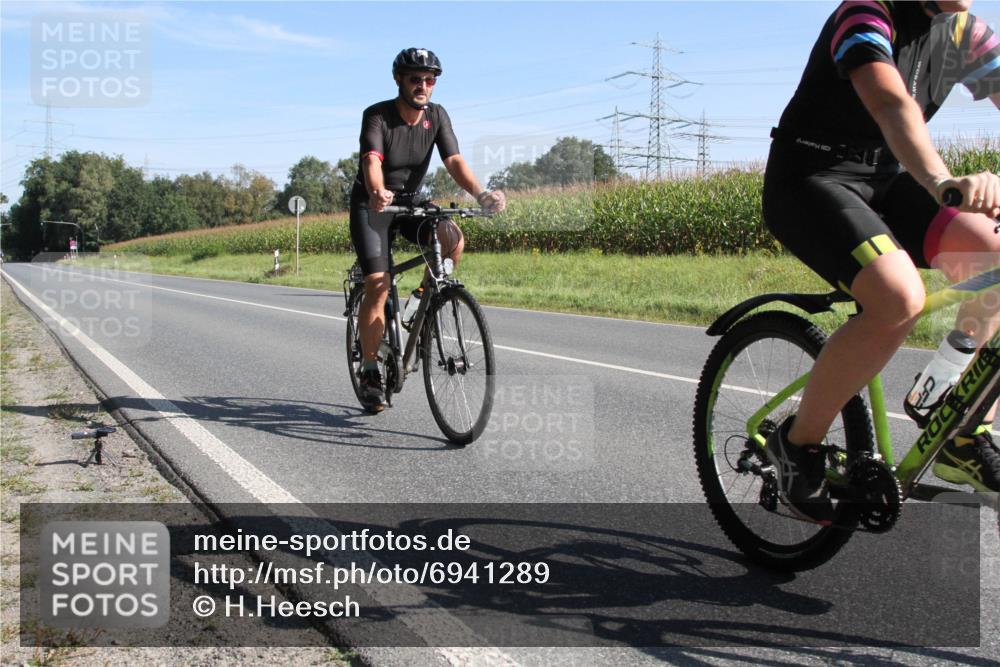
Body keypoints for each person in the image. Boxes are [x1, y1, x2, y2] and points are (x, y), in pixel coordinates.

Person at [762, 0, 1000, 523]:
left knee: (993, 259)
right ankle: (795, 445)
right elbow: (891, 104)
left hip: (888, 179)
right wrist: (941, 182)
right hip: (813, 177)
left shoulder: (964, 33)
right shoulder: (868, 11)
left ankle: (958, 425)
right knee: (897, 296)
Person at [349, 47, 506, 413]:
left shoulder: (436, 116)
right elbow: (372, 160)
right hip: (373, 206)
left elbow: (453, 160)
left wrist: (481, 194)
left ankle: (423, 298)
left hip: (409, 203)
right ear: (399, 80)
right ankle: (371, 371)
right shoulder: (377, 116)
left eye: (430, 80)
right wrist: (377, 191)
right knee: (378, 282)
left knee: (452, 240)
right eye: (415, 79)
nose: (423, 86)